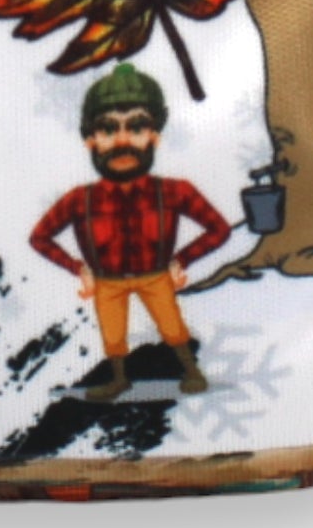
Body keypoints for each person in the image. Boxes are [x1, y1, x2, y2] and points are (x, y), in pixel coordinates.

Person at [29, 64, 233, 402]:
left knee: (171, 325)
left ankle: (191, 370)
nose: (122, 141)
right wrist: (78, 268)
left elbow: (219, 228)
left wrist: (182, 260)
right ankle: (119, 380)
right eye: (108, 129)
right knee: (112, 333)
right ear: (90, 140)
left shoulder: (174, 191)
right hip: (107, 280)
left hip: (156, 276)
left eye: (136, 127)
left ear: (154, 136)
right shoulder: (79, 199)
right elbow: (40, 237)